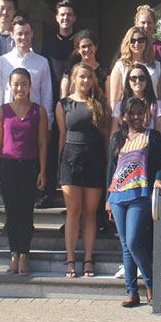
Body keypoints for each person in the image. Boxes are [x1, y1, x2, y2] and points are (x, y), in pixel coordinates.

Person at [105, 97, 161, 307]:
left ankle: (151, 285)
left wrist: (159, 179)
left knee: (133, 241)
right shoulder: (117, 139)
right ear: (125, 116)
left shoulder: (153, 136)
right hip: (117, 195)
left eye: (140, 113)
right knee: (125, 246)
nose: (137, 117)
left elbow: (160, 163)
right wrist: (107, 197)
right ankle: (132, 292)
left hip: (140, 194)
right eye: (132, 114)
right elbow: (112, 169)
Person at [56, 63, 111, 278]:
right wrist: (59, 165)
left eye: (89, 77)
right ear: (74, 80)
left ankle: (88, 259)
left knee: (90, 213)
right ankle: (70, 260)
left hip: (95, 160)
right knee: (73, 211)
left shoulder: (101, 104)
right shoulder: (63, 105)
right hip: (70, 160)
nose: (86, 81)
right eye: (82, 77)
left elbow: (106, 137)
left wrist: (108, 166)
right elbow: (62, 135)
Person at [0, 68, 48, 276]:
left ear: (30, 85)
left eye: (24, 83)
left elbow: (42, 143)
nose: (20, 88)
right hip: (8, 166)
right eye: (16, 84)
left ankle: (24, 254)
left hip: (30, 167)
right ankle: (13, 253)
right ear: (10, 86)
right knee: (12, 213)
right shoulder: (2, 111)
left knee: (26, 213)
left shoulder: (38, 111)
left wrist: (43, 170)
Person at [39, 0, 78, 209]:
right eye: (62, 14)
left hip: (75, 105)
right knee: (52, 149)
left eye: (69, 14)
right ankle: (48, 193)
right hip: (52, 101)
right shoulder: (48, 44)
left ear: (74, 18)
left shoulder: (79, 43)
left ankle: (70, 196)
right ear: (57, 17)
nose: (65, 18)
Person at [0, 15, 54, 127]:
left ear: (32, 34)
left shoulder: (42, 62)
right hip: (8, 121)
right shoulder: (2, 62)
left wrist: (47, 124)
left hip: (34, 121)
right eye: (19, 34)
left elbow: (46, 95)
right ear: (12, 35)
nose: (23, 37)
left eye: (27, 33)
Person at [109, 26, 161, 108]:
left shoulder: (156, 65)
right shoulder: (120, 66)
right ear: (127, 43)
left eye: (141, 40)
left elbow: (159, 94)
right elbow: (114, 100)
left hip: (152, 112)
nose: (137, 44)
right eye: (132, 41)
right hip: (128, 113)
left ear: (146, 42)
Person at [111, 64, 161, 138]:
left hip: (149, 145)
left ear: (147, 80)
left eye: (141, 78)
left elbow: (160, 135)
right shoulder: (119, 106)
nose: (137, 81)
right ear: (128, 81)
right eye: (133, 78)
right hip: (126, 147)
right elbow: (114, 135)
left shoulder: (157, 104)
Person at [134, 5, 161, 96]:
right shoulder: (131, 47)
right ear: (136, 23)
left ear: (154, 24)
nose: (146, 26)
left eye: (149, 23)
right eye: (143, 23)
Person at [62, 29, 109, 99]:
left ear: (96, 47)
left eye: (90, 45)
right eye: (83, 46)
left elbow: (109, 99)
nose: (87, 49)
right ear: (78, 49)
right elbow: (63, 99)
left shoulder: (105, 72)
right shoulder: (69, 72)